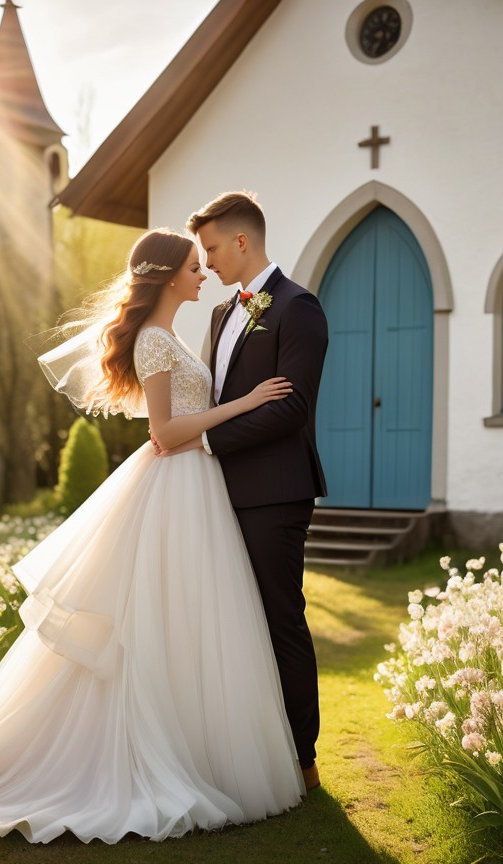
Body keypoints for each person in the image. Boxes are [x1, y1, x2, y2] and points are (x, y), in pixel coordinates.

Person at [0, 228, 306, 843]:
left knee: (190, 622)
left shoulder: (169, 337)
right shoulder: (151, 342)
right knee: (154, 624)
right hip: (175, 487)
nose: (203, 274)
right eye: (195, 266)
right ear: (170, 277)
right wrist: (244, 403)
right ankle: (140, 756)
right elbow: (166, 433)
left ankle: (202, 754)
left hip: (198, 490)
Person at [179, 191, 328, 790]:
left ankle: (302, 758)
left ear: (242, 241)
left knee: (278, 619)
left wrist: (210, 445)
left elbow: (292, 408)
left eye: (212, 248)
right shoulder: (219, 314)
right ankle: (245, 753)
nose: (207, 260)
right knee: (229, 622)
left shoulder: (299, 308)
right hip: (218, 495)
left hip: (274, 494)